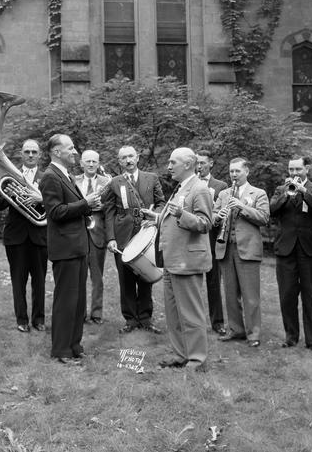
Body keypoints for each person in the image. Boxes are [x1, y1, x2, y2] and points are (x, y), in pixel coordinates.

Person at [142, 147, 213, 371]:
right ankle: (181, 354)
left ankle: (197, 359)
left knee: (191, 313)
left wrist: (182, 215)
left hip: (187, 262)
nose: (169, 166)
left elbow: (204, 223)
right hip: (171, 260)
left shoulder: (199, 188)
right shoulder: (180, 188)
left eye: (173, 162)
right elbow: (172, 215)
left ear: (188, 164)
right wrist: (157, 219)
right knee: (173, 314)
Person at [39, 134, 101, 364]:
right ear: (56, 152)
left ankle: (75, 345)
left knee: (77, 301)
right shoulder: (50, 177)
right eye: (70, 148)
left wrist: (87, 206)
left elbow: (71, 207)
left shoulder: (65, 174)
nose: (75, 152)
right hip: (65, 248)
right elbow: (55, 212)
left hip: (77, 246)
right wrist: (86, 204)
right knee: (66, 301)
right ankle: (62, 350)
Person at [269, 156, 312, 354]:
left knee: (309, 295)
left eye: (298, 169)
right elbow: (272, 211)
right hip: (285, 248)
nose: (294, 173)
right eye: (291, 169)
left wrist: (304, 191)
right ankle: (291, 337)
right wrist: (286, 194)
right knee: (287, 295)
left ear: (306, 169)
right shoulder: (280, 190)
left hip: (308, 248)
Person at [104, 145, 165, 333]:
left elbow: (162, 202)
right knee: (126, 278)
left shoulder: (152, 178)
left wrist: (153, 217)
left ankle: (146, 318)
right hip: (123, 236)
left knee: (146, 276)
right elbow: (109, 211)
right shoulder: (114, 182)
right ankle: (130, 319)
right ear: (119, 161)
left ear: (137, 158)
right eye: (124, 158)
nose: (128, 160)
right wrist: (111, 238)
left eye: (131, 156)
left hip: (147, 235)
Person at [213, 158, 269, 348]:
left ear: (247, 171)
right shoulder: (223, 193)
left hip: (248, 248)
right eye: (231, 172)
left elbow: (263, 218)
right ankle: (236, 330)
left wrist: (242, 207)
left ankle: (254, 334)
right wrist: (217, 216)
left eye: (237, 171)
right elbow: (211, 216)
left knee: (250, 295)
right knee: (230, 293)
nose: (233, 175)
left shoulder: (258, 193)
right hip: (226, 247)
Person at [0, 139, 47, 333]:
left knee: (39, 280)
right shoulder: (9, 176)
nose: (31, 155)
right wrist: (5, 193)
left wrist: (39, 198)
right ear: (21, 154)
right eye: (27, 152)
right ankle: (21, 319)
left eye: (34, 152)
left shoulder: (47, 177)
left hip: (39, 235)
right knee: (18, 280)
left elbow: (54, 204)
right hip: (16, 236)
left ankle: (39, 319)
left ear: (40, 155)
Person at [76, 149, 110, 324]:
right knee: (79, 277)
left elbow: (111, 207)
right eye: (87, 161)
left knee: (97, 277)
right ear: (81, 163)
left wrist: (99, 206)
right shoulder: (72, 181)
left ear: (98, 163)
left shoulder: (107, 182)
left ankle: (96, 314)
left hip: (97, 235)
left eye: (94, 162)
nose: (90, 164)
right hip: (77, 234)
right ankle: (80, 314)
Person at [196, 150, 228, 336]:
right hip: (194, 239)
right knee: (193, 282)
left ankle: (217, 322)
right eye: (197, 163)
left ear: (211, 164)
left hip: (212, 239)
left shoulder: (220, 185)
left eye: (202, 163)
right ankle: (196, 321)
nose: (199, 166)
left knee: (214, 281)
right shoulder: (190, 184)